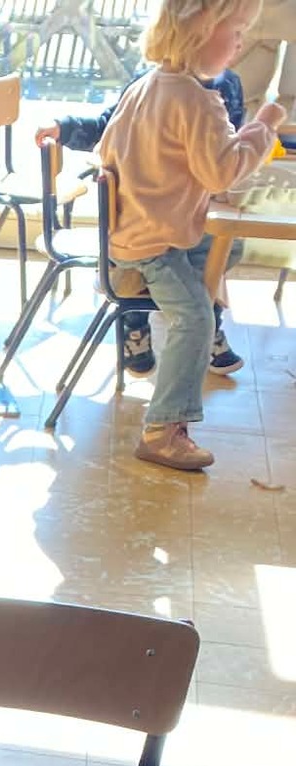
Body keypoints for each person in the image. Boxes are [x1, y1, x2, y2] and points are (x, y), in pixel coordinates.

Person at [98, 0, 283, 470]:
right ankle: (163, 431)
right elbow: (222, 173)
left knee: (226, 245)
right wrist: (262, 130)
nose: (240, 42)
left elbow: (107, 149)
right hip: (153, 243)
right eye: (235, 31)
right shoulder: (198, 100)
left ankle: (143, 280)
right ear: (200, 30)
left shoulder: (144, 85)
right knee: (197, 320)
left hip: (130, 229)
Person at [36, 62, 249, 373]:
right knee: (182, 246)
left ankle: (201, 319)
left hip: (193, 204)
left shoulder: (225, 84)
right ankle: (143, 320)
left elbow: (229, 151)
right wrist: (66, 127)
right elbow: (105, 126)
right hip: (143, 222)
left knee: (226, 244)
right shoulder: (148, 83)